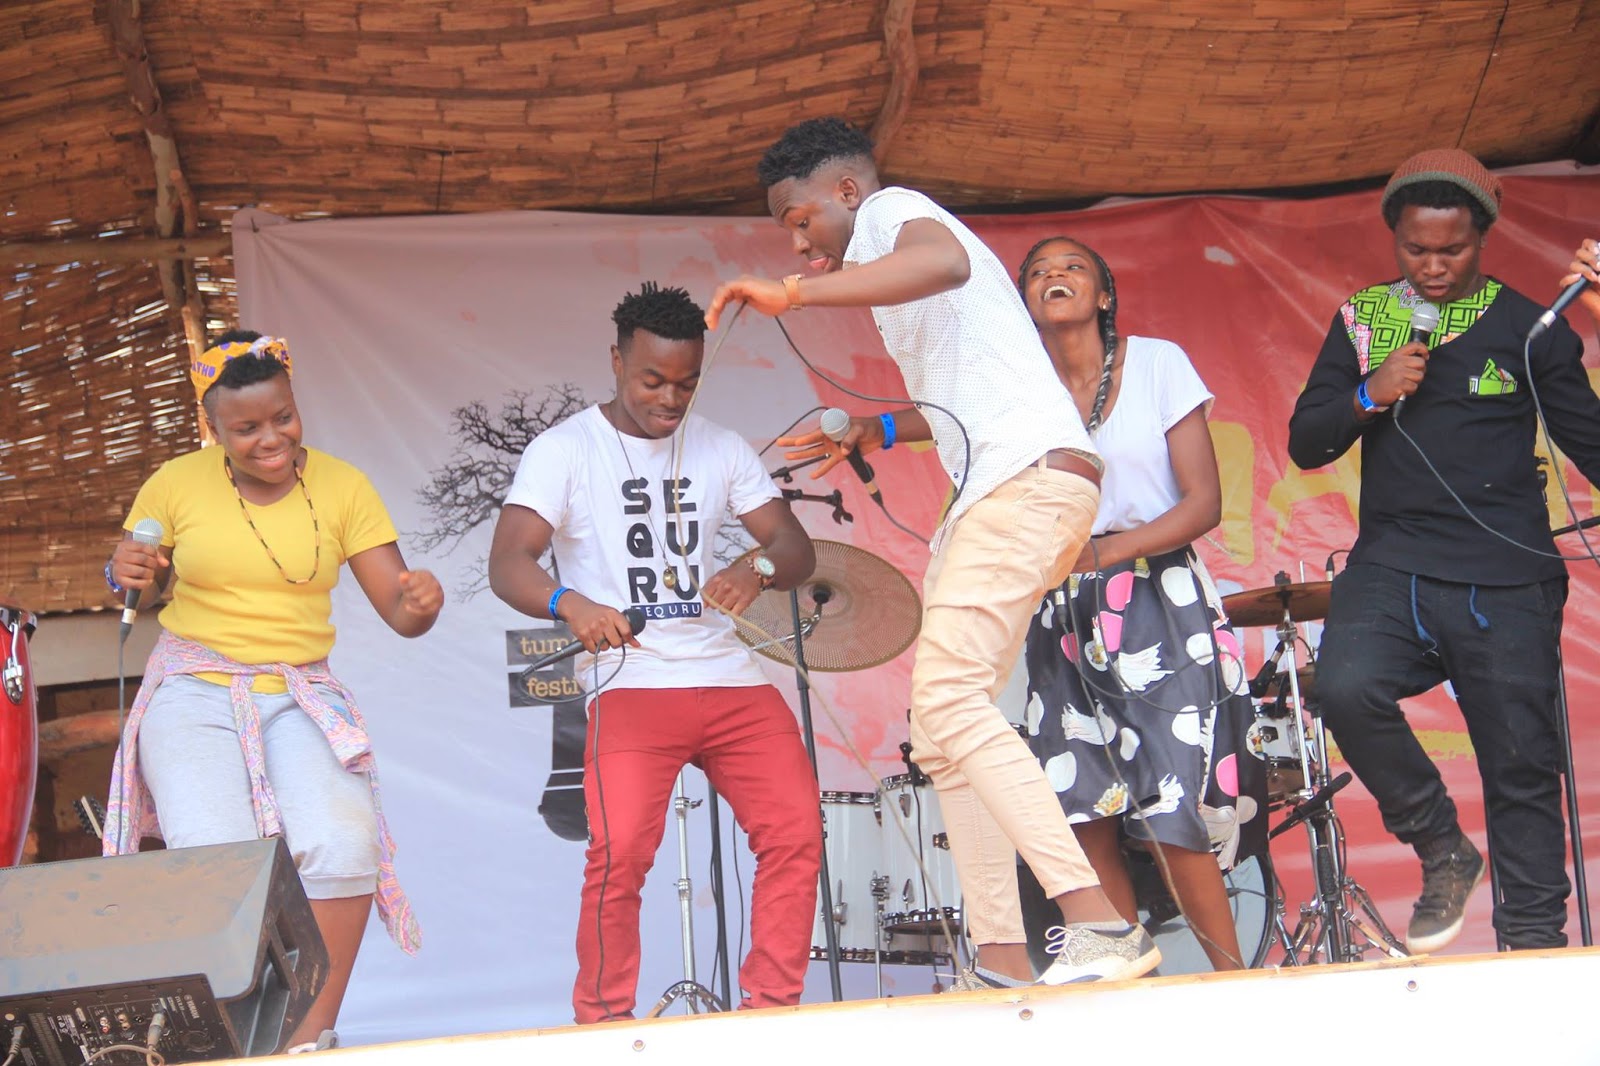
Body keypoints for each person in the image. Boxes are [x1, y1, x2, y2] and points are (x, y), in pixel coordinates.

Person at [706, 117, 1160, 988]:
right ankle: (999, 955)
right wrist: (875, 430)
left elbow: (942, 262)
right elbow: (968, 384)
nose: (799, 241)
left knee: (950, 703)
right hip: (1009, 485)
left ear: (844, 191)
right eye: (786, 237)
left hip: (1020, 483)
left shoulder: (891, 212)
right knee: (941, 731)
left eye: (799, 220)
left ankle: (1099, 920)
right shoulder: (884, 253)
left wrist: (789, 294)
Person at [1288, 149, 1600, 953]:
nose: (1431, 266)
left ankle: (1532, 946)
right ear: (1395, 239)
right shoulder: (1364, 320)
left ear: (1483, 239)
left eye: (1451, 250)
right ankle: (1439, 845)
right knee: (1346, 687)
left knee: (1521, 767)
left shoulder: (1531, 327)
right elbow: (1306, 443)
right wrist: (1367, 391)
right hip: (1393, 564)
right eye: (1415, 250)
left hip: (1507, 579)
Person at [487, 283, 821, 1023]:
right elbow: (510, 559)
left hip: (728, 677)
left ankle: (772, 1014)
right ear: (616, 360)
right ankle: (604, 1025)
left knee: (796, 833)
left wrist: (754, 567)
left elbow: (793, 547)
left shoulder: (721, 447)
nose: (671, 398)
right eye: (653, 380)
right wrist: (569, 604)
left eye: (687, 381)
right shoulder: (565, 450)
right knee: (619, 858)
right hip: (630, 682)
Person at [104, 331, 442, 1050]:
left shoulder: (344, 485)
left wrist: (421, 602)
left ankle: (308, 1037)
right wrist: (127, 566)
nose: (270, 439)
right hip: (194, 685)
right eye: (246, 428)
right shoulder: (175, 481)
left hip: (299, 690)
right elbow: (138, 570)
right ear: (212, 428)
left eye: (281, 418)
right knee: (216, 854)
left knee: (343, 841)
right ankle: (232, 1038)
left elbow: (400, 609)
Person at [1016, 236, 1267, 971]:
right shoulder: (1020, 391)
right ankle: (1127, 996)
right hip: (1060, 610)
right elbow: (947, 417)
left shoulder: (1157, 363)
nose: (1054, 277)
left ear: (1103, 296)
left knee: (1172, 803)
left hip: (1157, 594)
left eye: (1073, 268)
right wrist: (883, 428)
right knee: (1082, 805)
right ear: (1026, 303)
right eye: (1038, 273)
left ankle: (1235, 986)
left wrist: (1103, 554)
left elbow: (1204, 503)